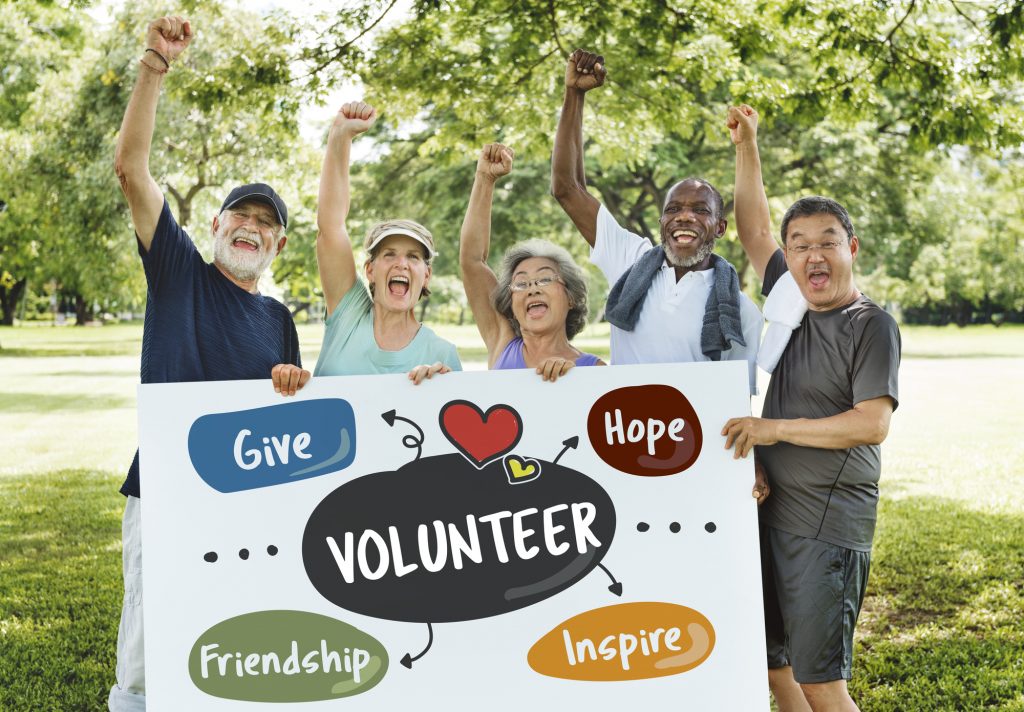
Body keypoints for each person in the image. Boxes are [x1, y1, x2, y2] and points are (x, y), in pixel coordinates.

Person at [110, 15, 304, 710]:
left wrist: (290, 386)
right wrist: (155, 67)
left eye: (266, 223)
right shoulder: (179, 272)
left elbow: (290, 415)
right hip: (164, 487)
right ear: (216, 226)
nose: (250, 227)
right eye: (239, 216)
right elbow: (132, 168)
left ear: (278, 246)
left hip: (240, 499)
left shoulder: (279, 319)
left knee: (226, 632)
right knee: (147, 638)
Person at [722, 104, 901, 712]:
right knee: (778, 669)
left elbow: (870, 423)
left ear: (851, 248)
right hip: (769, 515)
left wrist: (771, 429)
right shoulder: (791, 302)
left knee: (822, 682)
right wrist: (747, 144)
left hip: (827, 527)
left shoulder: (870, 324)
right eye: (799, 246)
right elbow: (753, 230)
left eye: (828, 243)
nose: (811, 257)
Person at [550, 49, 763, 395]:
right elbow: (566, 189)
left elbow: (734, 407)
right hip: (622, 434)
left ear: (720, 228)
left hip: (691, 444)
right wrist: (574, 94)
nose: (684, 216)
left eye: (701, 210)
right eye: (674, 208)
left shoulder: (741, 312)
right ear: (662, 220)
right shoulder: (631, 261)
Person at [308, 101, 461, 384]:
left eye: (414, 257)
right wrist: (340, 136)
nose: (401, 263)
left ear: (426, 276)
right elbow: (330, 227)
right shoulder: (349, 313)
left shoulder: (442, 354)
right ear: (370, 270)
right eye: (389, 254)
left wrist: (439, 389)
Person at [460, 143, 605, 381]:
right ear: (513, 304)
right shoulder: (502, 342)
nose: (533, 289)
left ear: (570, 297)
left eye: (545, 278)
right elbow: (472, 261)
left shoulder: (593, 369)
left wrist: (572, 381)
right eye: (521, 283)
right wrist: (485, 178)